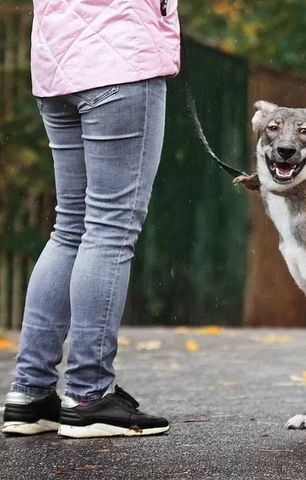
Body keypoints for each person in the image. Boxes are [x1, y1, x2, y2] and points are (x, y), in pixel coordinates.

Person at [2, 0, 180, 438]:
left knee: (70, 229)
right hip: (119, 61)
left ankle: (30, 395)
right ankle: (89, 395)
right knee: (109, 230)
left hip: (56, 63)